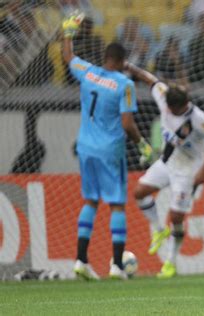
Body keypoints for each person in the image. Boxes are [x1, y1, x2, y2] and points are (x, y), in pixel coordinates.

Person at [61, 13, 153, 280]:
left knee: (90, 200)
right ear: (123, 63)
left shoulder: (88, 72)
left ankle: (80, 260)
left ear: (105, 58)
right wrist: (142, 145)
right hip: (110, 149)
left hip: (85, 147)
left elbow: (68, 56)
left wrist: (68, 33)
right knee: (116, 205)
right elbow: (127, 124)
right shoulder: (124, 84)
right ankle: (116, 265)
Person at [124, 63, 204, 278]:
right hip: (168, 161)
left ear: (181, 107)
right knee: (139, 192)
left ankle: (170, 262)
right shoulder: (165, 96)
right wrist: (130, 67)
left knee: (177, 216)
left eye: (171, 110)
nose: (166, 111)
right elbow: (151, 80)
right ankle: (159, 229)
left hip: (188, 169)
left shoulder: (199, 119)